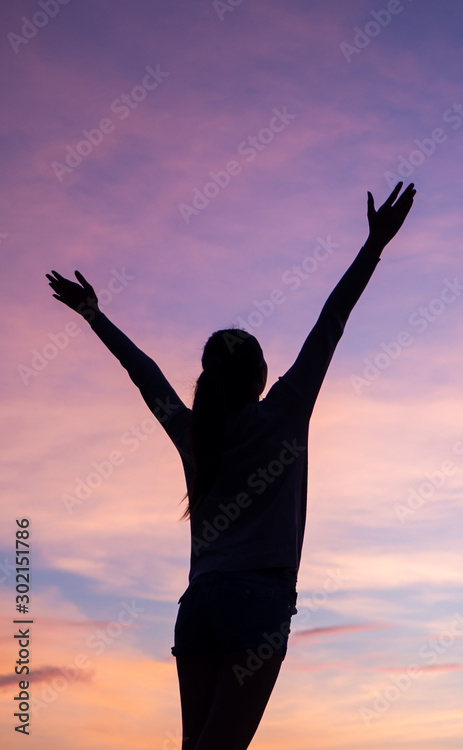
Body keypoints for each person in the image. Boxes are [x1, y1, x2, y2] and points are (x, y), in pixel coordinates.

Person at [46, 182, 417, 750]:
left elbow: (141, 372)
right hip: (257, 605)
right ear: (259, 377)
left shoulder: (195, 432)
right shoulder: (286, 412)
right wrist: (373, 246)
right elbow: (331, 321)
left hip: (201, 604)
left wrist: (95, 315)